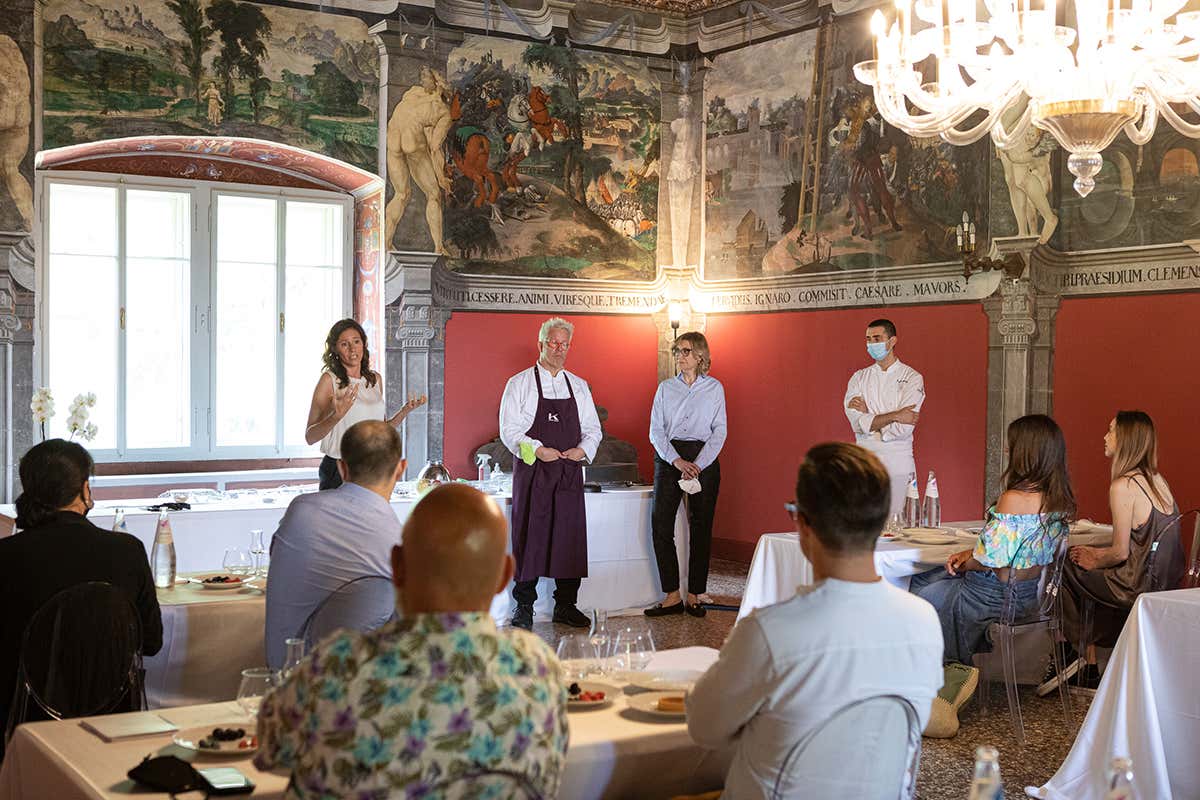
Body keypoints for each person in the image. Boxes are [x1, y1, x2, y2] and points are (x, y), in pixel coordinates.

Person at [256, 483, 569, 798]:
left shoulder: (335, 669)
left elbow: (269, 749)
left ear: (398, 566)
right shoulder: (539, 669)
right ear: (505, 576)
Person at [686, 443, 943, 799]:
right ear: (883, 522)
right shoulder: (924, 621)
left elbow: (704, 728)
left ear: (803, 524)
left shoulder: (769, 631)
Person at [0, 440, 163, 735]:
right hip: (113, 718)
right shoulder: (127, 550)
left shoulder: (6, 556)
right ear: (85, 490)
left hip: (26, 721)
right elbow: (151, 642)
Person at [909, 414, 1074, 668]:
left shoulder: (1013, 498)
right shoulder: (1059, 500)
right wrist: (973, 554)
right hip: (1029, 597)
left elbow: (994, 565)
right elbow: (1011, 554)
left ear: (1026, 452)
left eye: (1012, 444)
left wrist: (968, 561)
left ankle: (944, 672)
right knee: (929, 578)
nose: (1007, 449)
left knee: (918, 589)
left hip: (990, 599)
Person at [1039, 411, 1182, 695]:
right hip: (1163, 582)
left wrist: (1095, 556)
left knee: (1060, 563)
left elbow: (1119, 552)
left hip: (1134, 584)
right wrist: (1095, 557)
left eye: (1111, 431)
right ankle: (1084, 661)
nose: (1105, 437)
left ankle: (1076, 654)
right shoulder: (1157, 480)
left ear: (1126, 440)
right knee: (1081, 564)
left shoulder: (1123, 486)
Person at [265, 420, 406, 668]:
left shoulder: (300, 510)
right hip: (344, 690)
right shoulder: (398, 544)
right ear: (401, 469)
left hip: (280, 674)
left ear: (341, 468)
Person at [499, 317, 602, 631]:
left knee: (568, 539)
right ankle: (524, 608)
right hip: (534, 474)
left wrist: (582, 450)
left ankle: (566, 605)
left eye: (564, 344)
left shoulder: (579, 386)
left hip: (568, 472)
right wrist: (537, 449)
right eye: (553, 343)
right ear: (540, 344)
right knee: (530, 537)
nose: (558, 349)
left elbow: (594, 429)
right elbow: (509, 431)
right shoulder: (519, 384)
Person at [646, 331, 727, 618]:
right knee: (661, 526)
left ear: (700, 356)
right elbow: (655, 431)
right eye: (677, 351)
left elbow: (720, 431)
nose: (680, 356)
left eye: (686, 351)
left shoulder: (715, 388)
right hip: (670, 457)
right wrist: (677, 460)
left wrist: (699, 464)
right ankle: (671, 595)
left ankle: (694, 594)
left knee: (701, 528)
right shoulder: (665, 388)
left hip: (704, 457)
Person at [304, 318, 425, 490]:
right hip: (339, 469)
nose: (353, 349)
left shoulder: (374, 380)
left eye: (356, 341)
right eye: (344, 344)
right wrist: (336, 416)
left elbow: (381, 428)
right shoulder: (329, 380)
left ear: (364, 344)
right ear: (335, 349)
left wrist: (405, 411)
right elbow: (310, 437)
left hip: (371, 467)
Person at [844, 318, 925, 515]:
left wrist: (869, 418)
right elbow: (856, 422)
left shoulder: (913, 378)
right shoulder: (859, 378)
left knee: (900, 524)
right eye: (868, 339)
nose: (872, 344)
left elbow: (902, 429)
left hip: (898, 461)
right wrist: (895, 415)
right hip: (864, 461)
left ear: (892, 341)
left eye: (877, 338)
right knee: (862, 522)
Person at [384, 65, 453, 252]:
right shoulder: (444, 113)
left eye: (425, 78)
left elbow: (421, 124)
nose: (422, 81)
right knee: (434, 195)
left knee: (401, 194)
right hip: (412, 143)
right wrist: (441, 178)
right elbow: (435, 148)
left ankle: (385, 244)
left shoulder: (412, 93)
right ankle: (439, 247)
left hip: (393, 140)